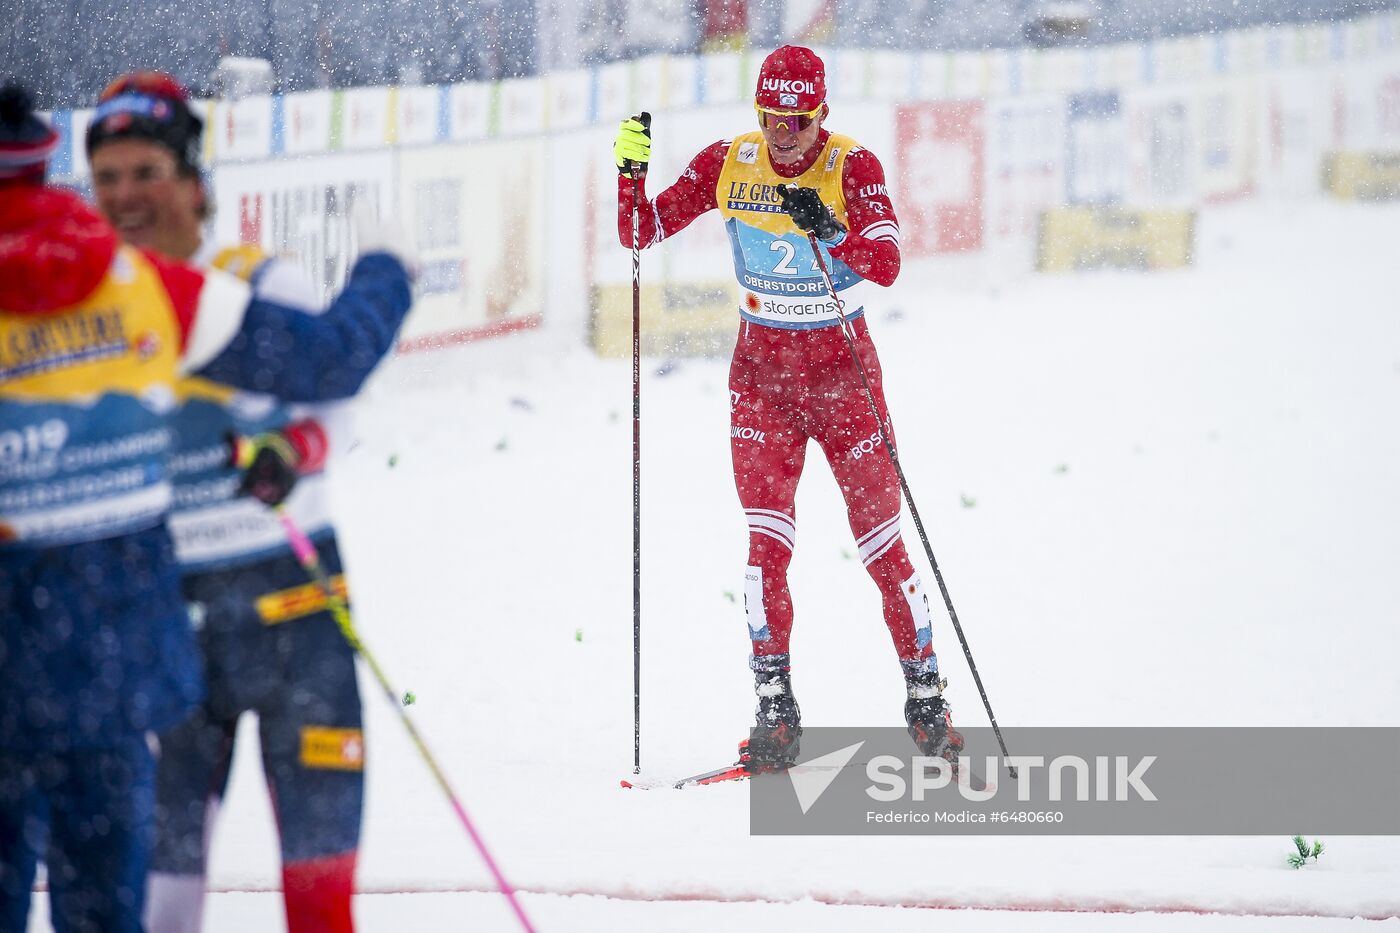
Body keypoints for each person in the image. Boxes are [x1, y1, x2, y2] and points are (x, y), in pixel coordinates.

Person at [0, 82, 413, 933]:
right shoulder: (118, 287)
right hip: (171, 610)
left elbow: (334, 398)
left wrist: (293, 453)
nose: (125, 195)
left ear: (194, 181)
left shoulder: (233, 281)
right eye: (106, 175)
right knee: (159, 891)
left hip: (290, 598)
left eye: (146, 170)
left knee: (318, 877)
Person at [613, 46, 963, 771]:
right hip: (763, 385)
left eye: (796, 122)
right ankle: (776, 709)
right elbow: (641, 233)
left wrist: (831, 229)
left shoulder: (851, 167)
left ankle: (926, 699)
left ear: (821, 116)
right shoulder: (730, 161)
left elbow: (889, 262)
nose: (781, 136)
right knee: (764, 549)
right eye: (770, 117)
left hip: (845, 382)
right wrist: (630, 174)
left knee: (880, 545)